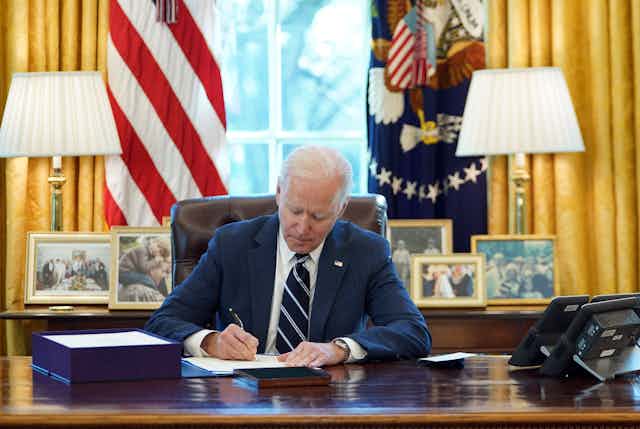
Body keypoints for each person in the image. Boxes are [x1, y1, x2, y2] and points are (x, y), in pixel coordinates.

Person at [145, 145, 431, 367]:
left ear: (341, 208)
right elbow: (163, 322)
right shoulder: (232, 244)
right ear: (280, 193)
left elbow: (413, 332)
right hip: (242, 398)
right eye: (295, 210)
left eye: (319, 216)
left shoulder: (366, 251)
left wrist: (338, 349)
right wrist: (211, 342)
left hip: (329, 400)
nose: (303, 227)